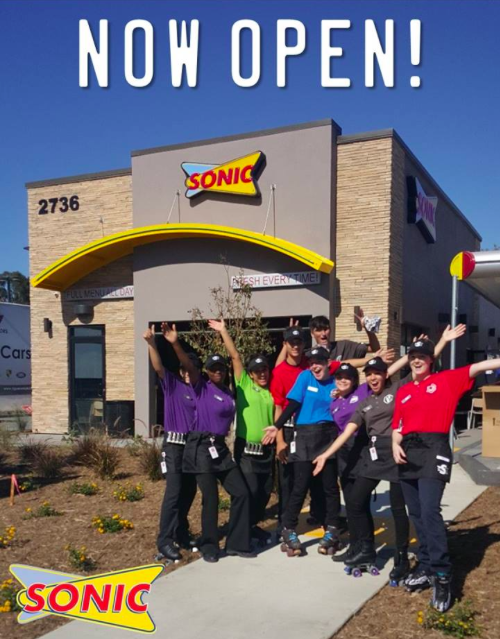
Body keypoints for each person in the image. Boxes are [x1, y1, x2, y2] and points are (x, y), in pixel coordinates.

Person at [313, 325, 466, 582]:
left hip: (397, 452)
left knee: (398, 509)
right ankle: (365, 548)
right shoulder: (364, 402)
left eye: (378, 373)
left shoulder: (398, 390)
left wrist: (439, 343)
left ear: (385, 375)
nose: (374, 378)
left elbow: (420, 367)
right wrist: (326, 454)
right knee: (355, 500)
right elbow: (347, 431)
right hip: (374, 456)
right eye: (369, 374)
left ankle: (401, 557)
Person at [392, 337, 500, 612]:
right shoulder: (405, 391)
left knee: (430, 510)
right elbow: (398, 426)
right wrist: (395, 444)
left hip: (434, 449)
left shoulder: (446, 380)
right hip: (408, 453)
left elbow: (479, 367)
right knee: (416, 513)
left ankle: (442, 574)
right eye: (413, 357)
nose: (417, 361)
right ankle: (426, 564)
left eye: (422, 357)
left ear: (432, 360)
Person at [263, 346, 342, 556]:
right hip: (305, 435)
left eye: (319, 362)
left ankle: (332, 527)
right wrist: (277, 426)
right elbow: (293, 403)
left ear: (327, 363)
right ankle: (288, 528)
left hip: (328, 436)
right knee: (300, 485)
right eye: (312, 363)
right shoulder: (305, 377)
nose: (314, 366)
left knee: (330, 486)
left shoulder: (336, 382)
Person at [182, 348, 255, 563]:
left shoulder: (228, 393)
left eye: (221, 368)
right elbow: (189, 367)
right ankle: (209, 546)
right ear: (206, 371)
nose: (217, 372)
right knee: (211, 498)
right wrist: (176, 345)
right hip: (201, 447)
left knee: (241, 492)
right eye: (213, 369)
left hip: (220, 447)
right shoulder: (201, 387)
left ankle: (236, 544)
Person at [208, 318, 274, 546]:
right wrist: (223, 331)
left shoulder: (272, 391)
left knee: (264, 492)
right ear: (251, 373)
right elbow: (235, 357)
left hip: (267, 451)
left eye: (264, 369)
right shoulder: (244, 385)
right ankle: (241, 531)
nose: (262, 373)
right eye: (257, 370)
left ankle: (251, 526)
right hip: (247, 450)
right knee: (250, 490)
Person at [143, 323, 199, 563]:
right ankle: (165, 540)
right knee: (174, 492)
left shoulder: (200, 391)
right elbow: (158, 367)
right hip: (174, 447)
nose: (187, 372)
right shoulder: (173, 385)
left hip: (191, 449)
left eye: (191, 368)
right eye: (184, 368)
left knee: (189, 491)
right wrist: (151, 344)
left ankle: (181, 532)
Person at [309, 309, 380, 362]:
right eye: (319, 330)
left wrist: (367, 328)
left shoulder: (344, 346)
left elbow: (374, 348)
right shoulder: (309, 355)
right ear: (312, 334)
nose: (323, 334)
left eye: (326, 329)